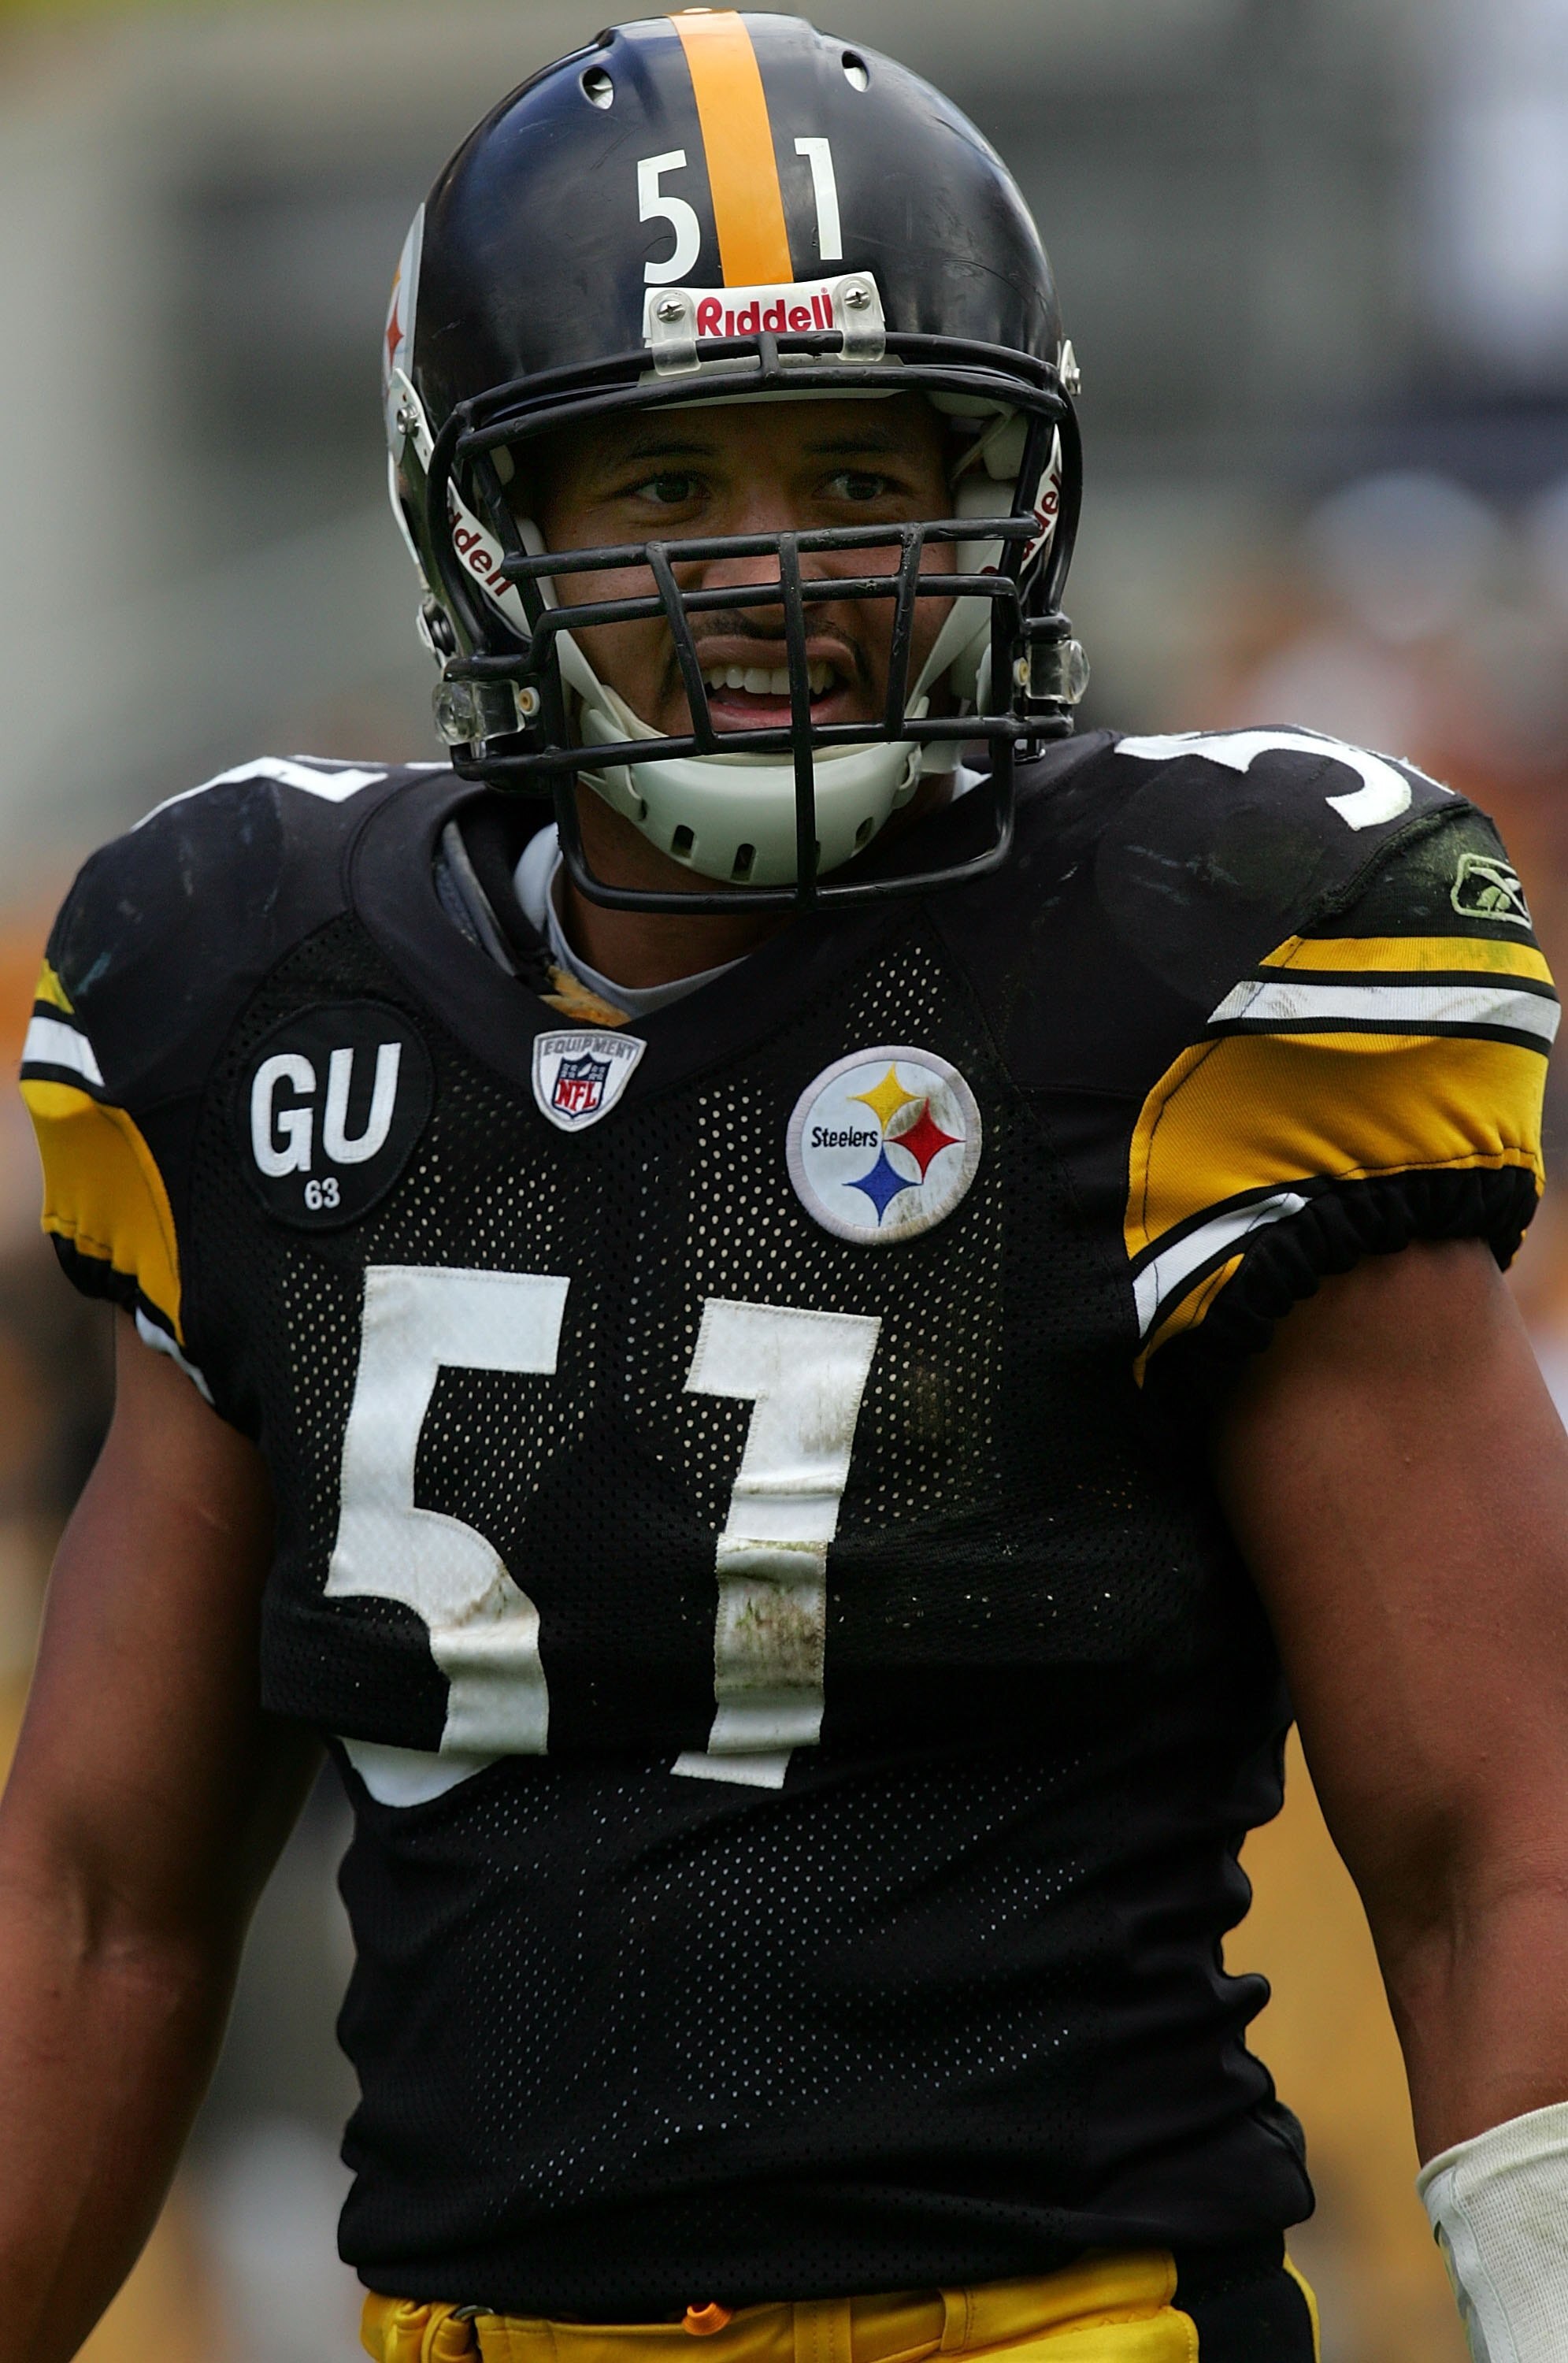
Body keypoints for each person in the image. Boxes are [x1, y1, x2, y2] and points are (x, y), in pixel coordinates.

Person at [2, 14, 1566, 2362]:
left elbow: (1495, 1832)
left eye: (860, 467)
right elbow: (110, 1884)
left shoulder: (1194, 958)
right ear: (482, 517)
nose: (778, 568)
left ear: (1009, 477)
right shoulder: (247, 985)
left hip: (1059, 2326)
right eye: (659, 486)